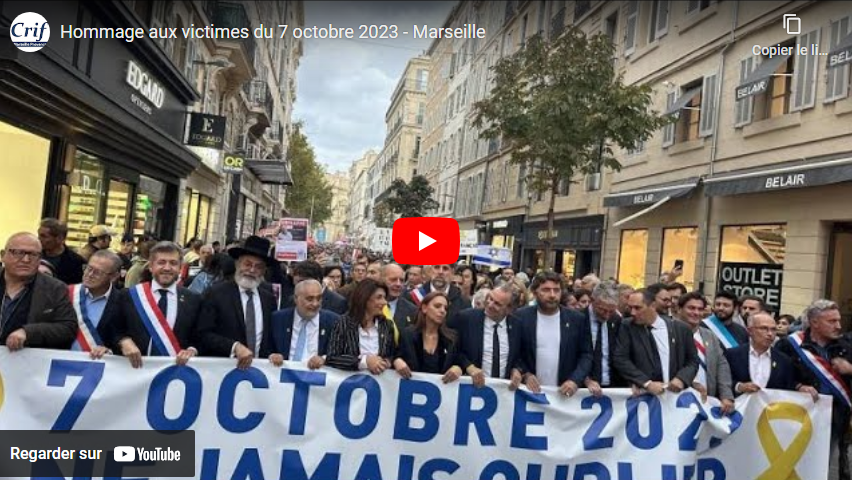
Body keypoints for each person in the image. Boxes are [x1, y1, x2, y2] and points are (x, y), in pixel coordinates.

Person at [776, 300, 852, 480]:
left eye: (839, 320)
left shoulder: (845, 347)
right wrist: (798, 386)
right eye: (832, 321)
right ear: (815, 322)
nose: (838, 326)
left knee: (823, 467)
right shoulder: (789, 345)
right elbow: (777, 378)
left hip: (835, 420)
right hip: (797, 419)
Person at [108, 241, 203, 367]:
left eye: (173, 263)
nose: (167, 268)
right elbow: (112, 329)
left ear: (180, 268)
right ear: (151, 266)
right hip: (133, 373)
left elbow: (201, 336)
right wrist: (124, 341)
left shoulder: (194, 299)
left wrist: (192, 349)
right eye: (161, 262)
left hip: (174, 375)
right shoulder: (129, 296)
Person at [197, 236, 278, 369]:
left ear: (263, 271)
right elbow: (202, 334)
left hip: (260, 374)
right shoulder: (216, 293)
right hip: (223, 371)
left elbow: (270, 338)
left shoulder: (268, 299)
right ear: (237, 264)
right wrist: (234, 347)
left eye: (258, 267)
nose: (252, 270)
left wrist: (274, 354)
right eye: (247, 264)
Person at [514, 272, 593, 396]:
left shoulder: (577, 319)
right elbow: (514, 352)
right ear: (534, 293)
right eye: (546, 290)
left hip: (564, 394)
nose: (552, 295)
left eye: (556, 290)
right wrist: (525, 374)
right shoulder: (521, 317)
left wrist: (574, 380)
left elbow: (586, 355)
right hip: (529, 393)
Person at [612, 288, 698, 396]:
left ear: (652, 306)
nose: (633, 312)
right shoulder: (627, 326)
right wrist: (646, 383)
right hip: (643, 397)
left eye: (637, 308)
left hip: (672, 397)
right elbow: (621, 359)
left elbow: (692, 361)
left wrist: (681, 378)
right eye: (630, 308)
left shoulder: (680, 329)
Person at [1, 232, 77, 350]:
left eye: (33, 254)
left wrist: (28, 332)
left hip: (26, 362)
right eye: (18, 253)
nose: (26, 260)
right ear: (3, 255)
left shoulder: (55, 288)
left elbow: (67, 328)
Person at [725, 312, 817, 397]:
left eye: (773, 329)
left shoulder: (784, 360)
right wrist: (739, 387)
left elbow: (788, 387)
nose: (770, 334)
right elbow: (722, 382)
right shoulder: (732, 355)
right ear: (750, 331)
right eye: (764, 328)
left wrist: (800, 388)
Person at [451, 285, 523, 387]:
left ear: (509, 309)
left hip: (504, 391)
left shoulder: (517, 326)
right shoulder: (467, 318)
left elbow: (521, 356)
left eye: (497, 304)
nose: (490, 304)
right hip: (472, 387)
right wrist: (469, 367)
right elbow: (454, 350)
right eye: (490, 298)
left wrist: (517, 370)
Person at [677, 292, 734, 414]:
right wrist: (690, 384)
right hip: (678, 401)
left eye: (700, 309)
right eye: (691, 308)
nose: (696, 313)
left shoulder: (709, 335)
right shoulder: (670, 332)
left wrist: (726, 396)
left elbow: (721, 365)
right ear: (679, 309)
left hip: (707, 402)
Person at [325, 279, 396, 373]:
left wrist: (387, 362)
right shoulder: (343, 323)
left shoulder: (387, 325)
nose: (384, 302)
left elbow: (391, 354)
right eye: (379, 297)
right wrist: (365, 362)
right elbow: (332, 357)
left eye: (384, 297)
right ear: (365, 298)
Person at [268, 279, 339, 369]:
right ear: (296, 299)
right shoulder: (278, 319)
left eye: (319, 298)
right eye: (309, 299)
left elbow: (340, 353)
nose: (315, 303)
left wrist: (325, 359)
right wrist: (273, 356)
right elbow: (266, 348)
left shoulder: (333, 321)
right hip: (283, 377)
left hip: (317, 377)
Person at [394, 292, 462, 384]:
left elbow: (460, 360)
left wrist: (458, 368)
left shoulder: (451, 339)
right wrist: (396, 360)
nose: (442, 311)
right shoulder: (407, 334)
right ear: (424, 308)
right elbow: (394, 354)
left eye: (445, 308)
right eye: (437, 306)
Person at [68, 250, 123, 359]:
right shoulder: (67, 293)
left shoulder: (123, 301)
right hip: (65, 362)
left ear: (114, 277)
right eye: (88, 268)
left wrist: (110, 351)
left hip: (101, 367)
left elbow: (126, 336)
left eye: (98, 272)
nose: (90, 275)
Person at [583, 283, 626, 396]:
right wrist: (585, 379)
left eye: (611, 311)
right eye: (602, 310)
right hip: (583, 388)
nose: (606, 316)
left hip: (612, 386)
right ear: (592, 300)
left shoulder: (617, 320)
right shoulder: (578, 319)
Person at [38, 218, 85, 285]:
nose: (39, 239)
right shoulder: (34, 255)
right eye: (39, 235)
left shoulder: (76, 262)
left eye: (43, 236)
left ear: (60, 238)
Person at [381, 264, 418, 332]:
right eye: (393, 280)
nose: (398, 284)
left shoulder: (412, 310)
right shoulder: (369, 305)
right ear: (381, 279)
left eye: (401, 280)